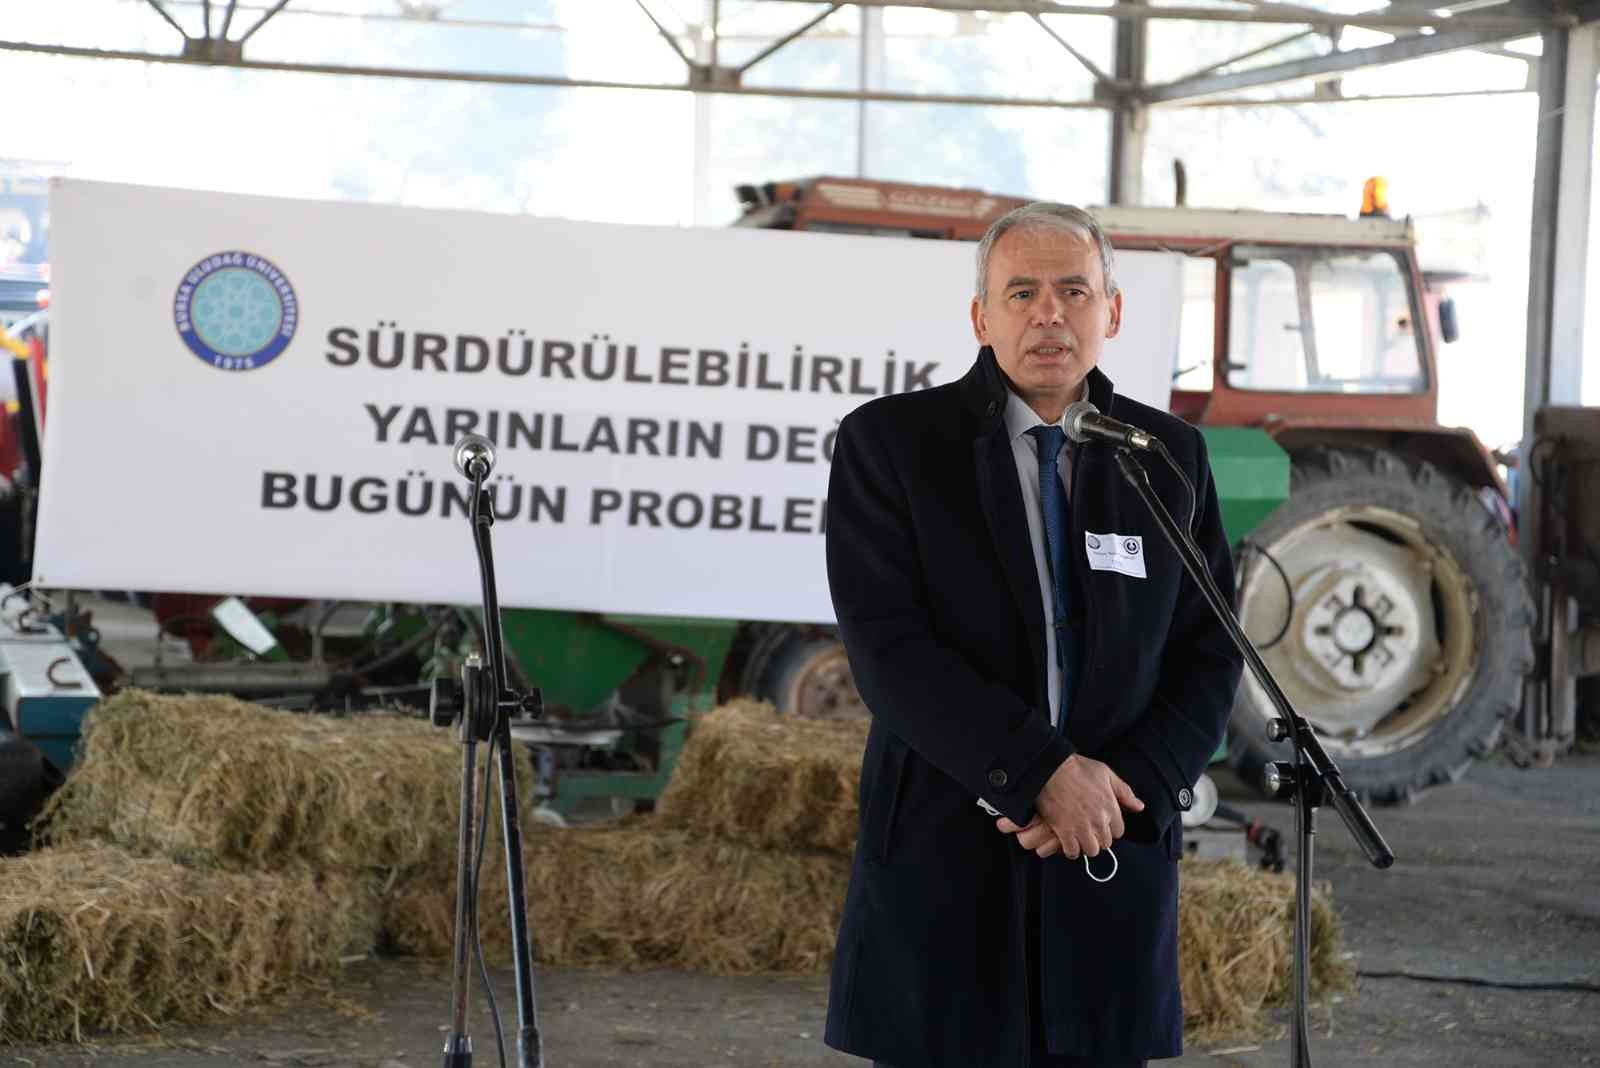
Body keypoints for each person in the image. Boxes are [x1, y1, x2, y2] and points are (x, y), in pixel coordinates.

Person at [822, 202, 1244, 1068]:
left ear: (1112, 313)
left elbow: (1210, 650)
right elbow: (888, 649)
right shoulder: (894, 445)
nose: (1048, 314)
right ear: (982, 317)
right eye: (1021, 293)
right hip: (951, 858)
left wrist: (1119, 789)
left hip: (1109, 851)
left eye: (1073, 291)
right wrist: (1042, 774)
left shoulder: (1166, 456)